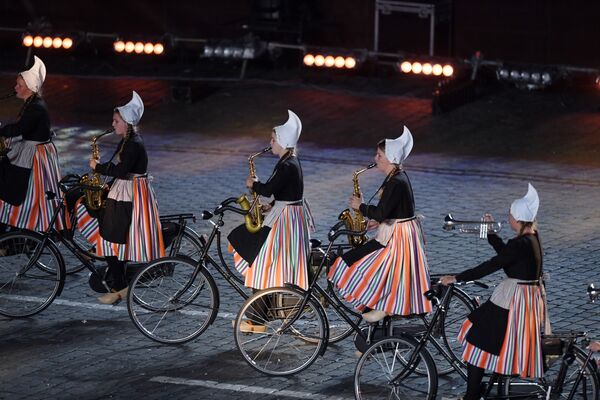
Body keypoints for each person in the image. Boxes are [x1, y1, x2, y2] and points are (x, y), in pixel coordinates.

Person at [439, 183, 548, 400]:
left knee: (476, 337)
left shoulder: (521, 243)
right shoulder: (532, 237)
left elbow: (492, 265)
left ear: (516, 218)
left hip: (512, 301)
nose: (507, 216)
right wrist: (490, 234)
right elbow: (507, 256)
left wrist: (457, 277)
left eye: (510, 213)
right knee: (486, 339)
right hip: (523, 300)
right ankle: (477, 390)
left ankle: (472, 395)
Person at [328, 126, 432, 323]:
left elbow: (383, 211)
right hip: (395, 230)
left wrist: (361, 207)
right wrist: (376, 220)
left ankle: (381, 306)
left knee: (359, 263)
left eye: (379, 155)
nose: (375, 158)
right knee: (379, 270)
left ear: (390, 157)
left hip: (397, 237)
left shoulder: (395, 181)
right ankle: (378, 306)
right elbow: (392, 209)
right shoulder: (396, 177)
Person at [228, 110, 314, 331]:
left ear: (283, 142)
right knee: (262, 264)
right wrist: (273, 204)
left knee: (261, 264)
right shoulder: (289, 161)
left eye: (273, 140)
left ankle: (257, 320)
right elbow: (284, 191)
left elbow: (268, 188)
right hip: (285, 214)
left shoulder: (287, 165)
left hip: (285, 221)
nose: (270, 143)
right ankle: (259, 317)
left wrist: (253, 184)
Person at [77, 91, 164, 304]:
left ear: (126, 122)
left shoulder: (133, 143)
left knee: (111, 238)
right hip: (125, 189)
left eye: (116, 121)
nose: (113, 124)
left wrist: (98, 167)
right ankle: (111, 271)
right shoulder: (128, 140)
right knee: (111, 236)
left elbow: (122, 170)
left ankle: (119, 285)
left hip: (128, 193)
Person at [0, 56, 63, 233]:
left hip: (34, 155)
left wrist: (2, 132)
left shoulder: (36, 106)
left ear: (29, 88)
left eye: (19, 85)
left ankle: (18, 226)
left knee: (20, 189)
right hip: (32, 150)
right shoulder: (32, 103)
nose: (15, 88)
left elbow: (20, 128)